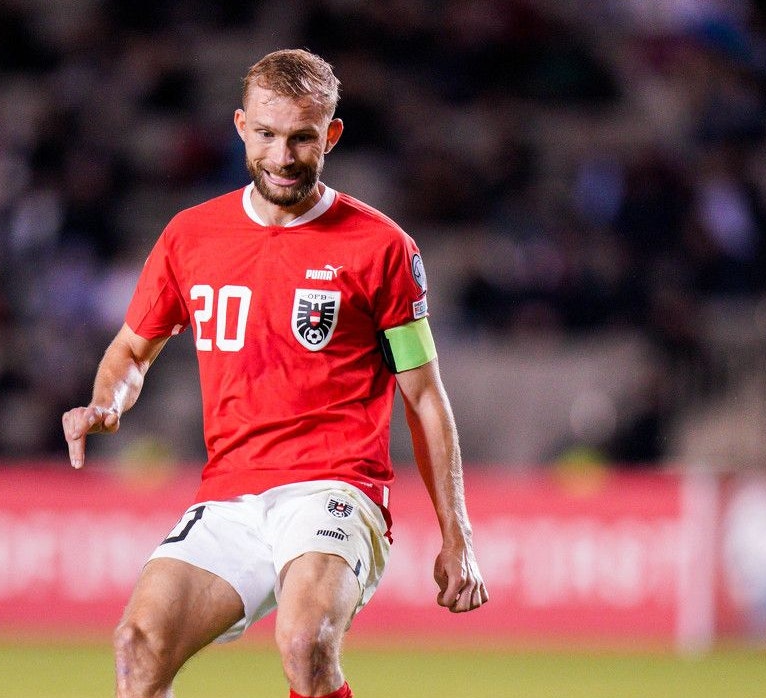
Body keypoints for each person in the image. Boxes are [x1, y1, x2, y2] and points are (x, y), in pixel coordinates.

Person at [62, 48, 487, 698]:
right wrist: (106, 403)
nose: (282, 157)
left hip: (334, 490)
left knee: (305, 643)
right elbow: (130, 350)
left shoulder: (381, 248)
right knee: (138, 646)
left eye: (302, 138)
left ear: (332, 135)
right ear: (240, 126)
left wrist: (457, 536)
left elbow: (425, 399)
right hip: (229, 496)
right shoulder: (190, 237)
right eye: (266, 134)